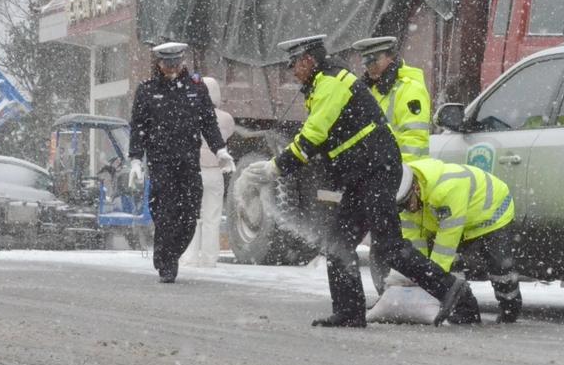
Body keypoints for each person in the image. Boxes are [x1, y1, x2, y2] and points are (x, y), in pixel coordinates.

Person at [244, 34, 473, 328]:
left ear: (309, 60)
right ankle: (349, 312)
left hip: (376, 170)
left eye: (293, 63)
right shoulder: (322, 83)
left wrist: (276, 167)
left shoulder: (331, 83)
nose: (291, 70)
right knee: (338, 241)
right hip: (360, 173)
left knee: (389, 246)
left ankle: (451, 289)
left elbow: (314, 135)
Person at [128, 42, 236, 283]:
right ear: (159, 64)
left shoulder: (196, 89)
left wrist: (220, 150)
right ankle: (167, 263)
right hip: (160, 163)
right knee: (165, 213)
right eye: (167, 63)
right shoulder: (147, 90)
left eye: (176, 63)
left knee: (189, 214)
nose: (172, 67)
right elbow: (138, 128)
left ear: (183, 62)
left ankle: (170, 252)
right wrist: (136, 159)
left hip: (188, 162)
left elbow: (208, 122)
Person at [395, 158, 523, 323]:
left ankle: (510, 309)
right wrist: (417, 275)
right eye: (401, 207)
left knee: (500, 270)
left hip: (492, 215)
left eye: (407, 204)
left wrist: (432, 282)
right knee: (445, 266)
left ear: (416, 188)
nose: (407, 209)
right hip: (459, 219)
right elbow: (414, 242)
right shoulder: (407, 198)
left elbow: (445, 246)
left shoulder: (447, 189)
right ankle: (464, 311)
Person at [351, 35, 431, 295]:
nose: (369, 65)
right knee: (383, 238)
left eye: (373, 59)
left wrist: (404, 182)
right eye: (365, 60)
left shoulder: (409, 89)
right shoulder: (371, 88)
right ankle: (390, 292)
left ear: (390, 57)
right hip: (378, 174)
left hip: (400, 177)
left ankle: (412, 292)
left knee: (406, 237)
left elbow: (414, 141)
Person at [180, 76, 235, 268]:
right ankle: (210, 259)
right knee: (213, 217)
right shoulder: (226, 118)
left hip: (193, 172)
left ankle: (189, 256)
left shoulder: (187, 114)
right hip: (215, 173)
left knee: (192, 216)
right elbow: (227, 134)